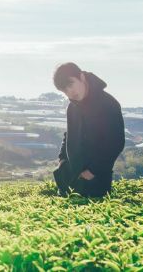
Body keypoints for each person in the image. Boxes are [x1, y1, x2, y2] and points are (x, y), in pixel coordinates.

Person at [52, 62, 125, 197]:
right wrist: (62, 159)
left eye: (70, 84)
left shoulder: (108, 104)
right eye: (64, 90)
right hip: (69, 176)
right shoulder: (72, 107)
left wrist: (92, 172)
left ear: (82, 77)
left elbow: (116, 143)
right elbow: (68, 135)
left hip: (95, 181)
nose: (69, 92)